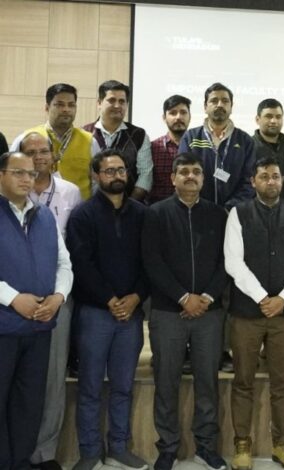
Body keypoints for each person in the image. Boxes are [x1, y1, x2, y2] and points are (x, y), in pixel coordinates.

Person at [223, 156, 284, 470]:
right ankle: (242, 446)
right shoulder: (238, 213)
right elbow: (233, 261)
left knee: (282, 383)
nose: (270, 181)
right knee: (243, 380)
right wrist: (263, 297)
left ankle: (282, 445)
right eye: (264, 176)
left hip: (283, 314)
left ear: (282, 180)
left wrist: (283, 299)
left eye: (275, 176)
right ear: (253, 181)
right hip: (247, 312)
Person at [142, 152, 229, 470]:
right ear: (173, 178)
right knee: (166, 381)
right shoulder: (155, 213)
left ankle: (206, 446)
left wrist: (205, 297)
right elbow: (151, 260)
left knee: (208, 381)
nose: (190, 176)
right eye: (184, 172)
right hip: (168, 311)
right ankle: (167, 447)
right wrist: (182, 297)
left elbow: (227, 261)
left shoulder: (218, 215)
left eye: (196, 172)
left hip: (209, 312)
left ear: (203, 179)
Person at [66, 149, 149, 470]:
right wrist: (110, 300)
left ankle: (118, 447)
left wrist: (136, 297)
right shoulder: (82, 215)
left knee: (123, 386)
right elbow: (81, 264)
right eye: (109, 170)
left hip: (131, 314)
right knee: (89, 387)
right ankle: (89, 452)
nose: (116, 175)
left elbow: (151, 262)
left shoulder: (142, 214)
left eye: (121, 170)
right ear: (96, 176)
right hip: (95, 314)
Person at [0, 151, 72, 470]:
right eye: (18, 172)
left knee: (29, 403)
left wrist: (58, 296)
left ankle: (20, 462)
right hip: (4, 327)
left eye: (31, 173)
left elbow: (64, 263)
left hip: (39, 328)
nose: (27, 179)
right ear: (1, 175)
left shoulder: (43, 216)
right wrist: (13, 298)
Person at [18, 132, 81, 470]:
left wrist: (58, 295)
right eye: (31, 152)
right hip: (15, 301)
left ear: (54, 156)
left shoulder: (70, 192)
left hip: (57, 296)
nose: (38, 157)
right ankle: (15, 451)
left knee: (54, 377)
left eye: (44, 151)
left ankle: (45, 452)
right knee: (17, 376)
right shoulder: (11, 195)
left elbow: (68, 253)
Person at [179, 82, 256, 209]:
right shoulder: (191, 137)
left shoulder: (245, 141)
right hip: (197, 210)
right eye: (214, 101)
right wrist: (200, 206)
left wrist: (231, 207)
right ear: (205, 106)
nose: (220, 104)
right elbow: (183, 175)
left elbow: (249, 181)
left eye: (225, 101)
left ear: (231, 106)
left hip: (234, 212)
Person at [12, 83, 93, 199]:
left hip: (77, 207)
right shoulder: (26, 138)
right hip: (33, 204)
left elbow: (96, 182)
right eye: (60, 105)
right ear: (47, 107)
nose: (66, 109)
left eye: (71, 105)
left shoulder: (90, 141)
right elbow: (11, 175)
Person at [84, 80, 153, 201]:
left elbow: (145, 174)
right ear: (99, 103)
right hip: (91, 207)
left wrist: (129, 205)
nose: (117, 106)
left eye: (122, 101)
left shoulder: (139, 135)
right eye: (112, 100)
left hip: (130, 206)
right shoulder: (84, 134)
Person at [252, 98, 284, 205]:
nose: (274, 121)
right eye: (268, 116)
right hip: (254, 210)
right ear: (257, 119)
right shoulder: (247, 148)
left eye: (278, 117)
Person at [148, 95, 192, 204]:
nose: (178, 117)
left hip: (193, 209)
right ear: (164, 118)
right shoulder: (153, 148)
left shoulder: (199, 147)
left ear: (190, 117)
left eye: (183, 112)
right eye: (173, 113)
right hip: (158, 210)